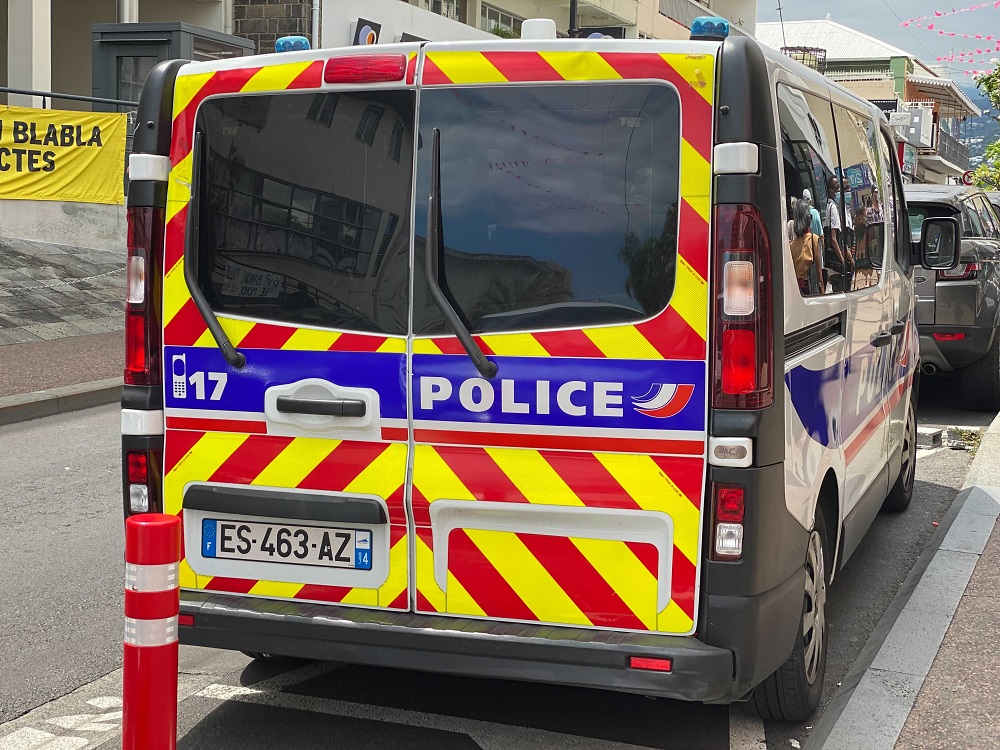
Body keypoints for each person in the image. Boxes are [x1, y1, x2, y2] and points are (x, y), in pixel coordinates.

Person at [789, 199, 824, 295]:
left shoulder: (792, 246)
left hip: (797, 294)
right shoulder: (814, 239)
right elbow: (819, 272)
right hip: (811, 293)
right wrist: (822, 291)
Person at [824, 176, 850, 291]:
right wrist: (843, 261)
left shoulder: (828, 206)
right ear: (831, 191)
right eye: (837, 187)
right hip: (837, 266)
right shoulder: (833, 208)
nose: (839, 190)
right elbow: (834, 239)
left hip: (832, 267)